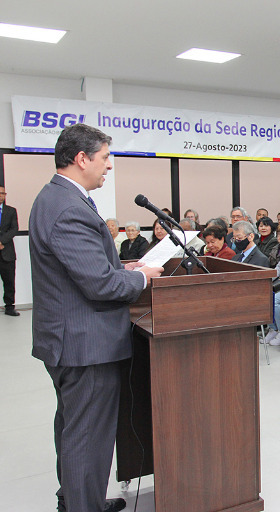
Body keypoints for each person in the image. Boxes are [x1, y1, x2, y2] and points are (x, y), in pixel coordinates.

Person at [30, 124, 163, 512]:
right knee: (86, 435)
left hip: (70, 338)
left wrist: (124, 265)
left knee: (74, 428)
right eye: (105, 158)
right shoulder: (69, 207)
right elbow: (101, 286)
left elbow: (83, 267)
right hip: (85, 343)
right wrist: (141, 276)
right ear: (81, 158)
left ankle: (76, 498)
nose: (109, 166)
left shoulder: (60, 198)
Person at [0, 186, 19, 316]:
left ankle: (9, 307)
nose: (1, 195)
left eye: (3, 193)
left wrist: (1, 241)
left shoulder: (11, 211)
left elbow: (14, 229)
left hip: (7, 252)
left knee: (9, 281)